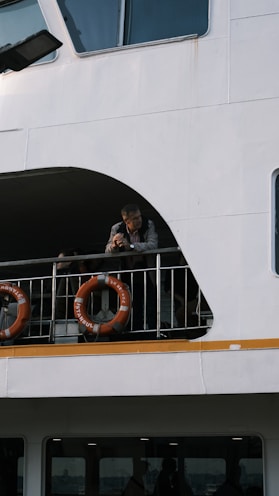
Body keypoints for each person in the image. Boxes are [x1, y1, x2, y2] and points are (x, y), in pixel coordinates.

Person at [105, 204, 158, 330]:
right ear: (126, 221)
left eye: (139, 216)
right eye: (134, 219)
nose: (139, 220)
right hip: (128, 272)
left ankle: (153, 332)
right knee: (132, 304)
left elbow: (153, 245)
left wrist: (132, 247)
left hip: (147, 271)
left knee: (151, 303)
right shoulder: (117, 228)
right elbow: (107, 251)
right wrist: (115, 245)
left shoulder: (148, 224)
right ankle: (135, 332)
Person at [164, 254, 199, 328]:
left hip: (193, 301)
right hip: (179, 302)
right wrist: (180, 299)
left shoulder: (193, 270)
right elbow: (167, 288)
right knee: (182, 319)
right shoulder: (173, 270)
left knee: (194, 321)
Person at [56, 248, 88, 319]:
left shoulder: (72, 275)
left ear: (69, 262)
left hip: (70, 311)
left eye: (59, 261)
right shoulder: (61, 275)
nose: (56, 264)